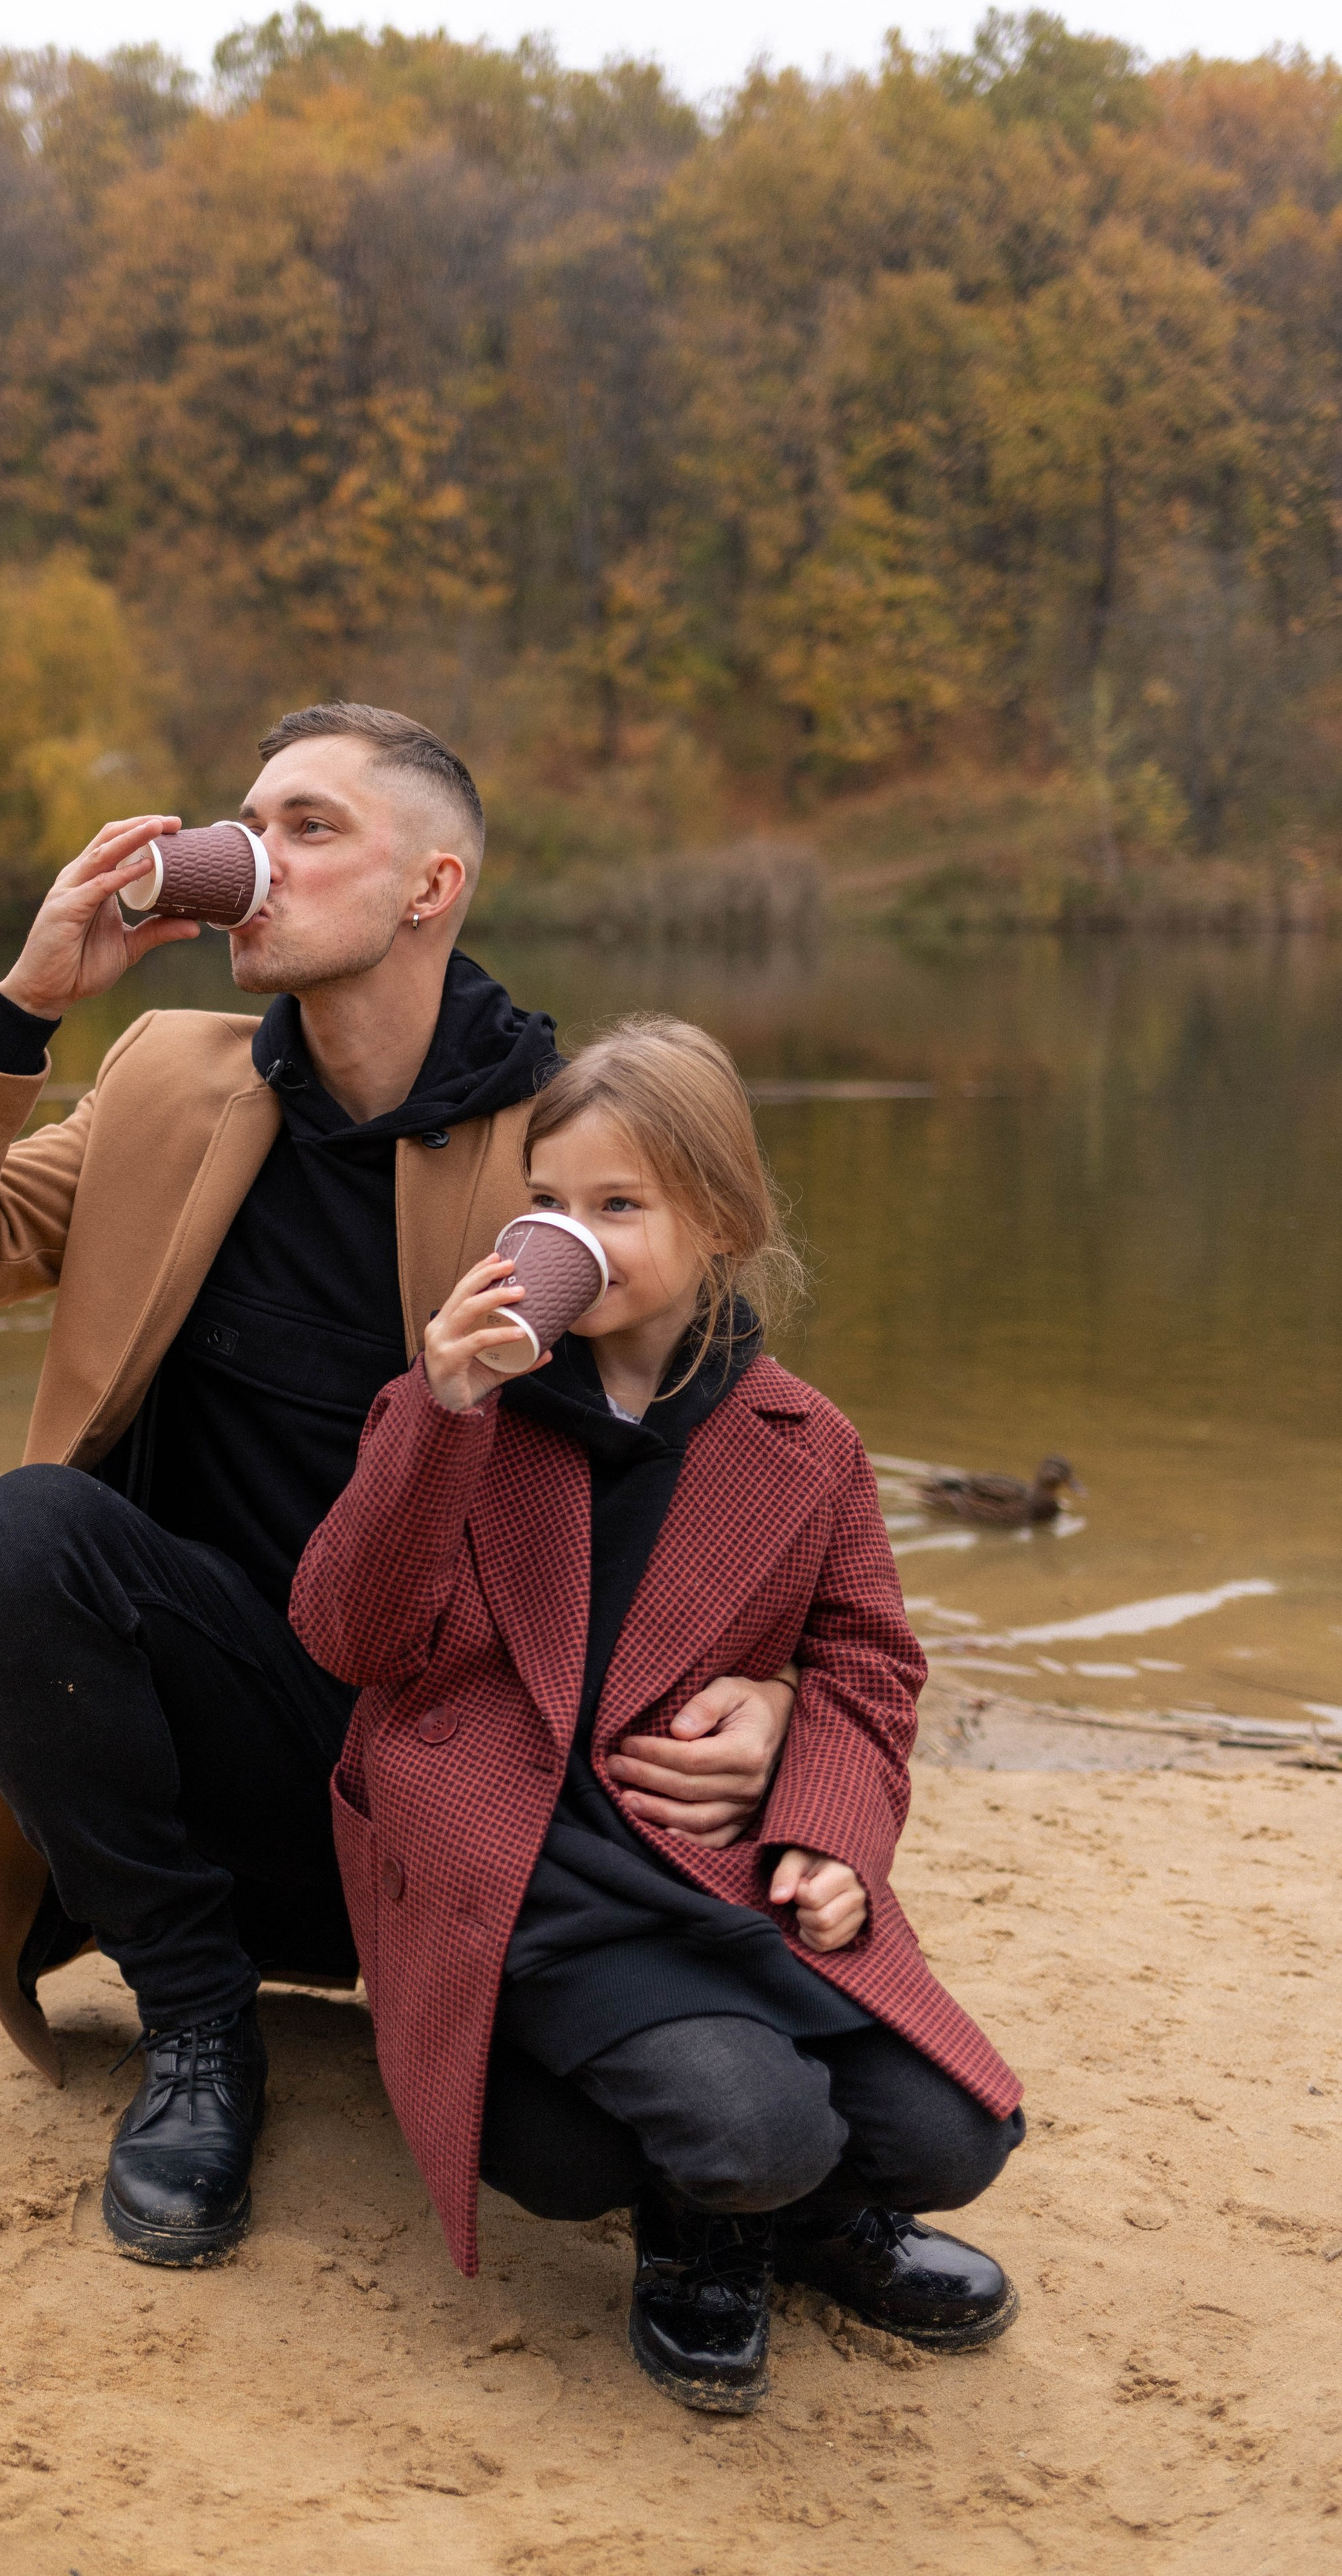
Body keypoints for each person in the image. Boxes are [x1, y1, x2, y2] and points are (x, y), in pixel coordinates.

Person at [0, 705, 800, 2266]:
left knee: (628, 2140)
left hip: (461, 1785)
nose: (251, 857)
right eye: (248, 822)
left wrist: (774, 1692)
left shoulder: (564, 1145)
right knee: (20, 1536)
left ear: (431, 887)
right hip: (223, 1748)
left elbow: (739, 1469)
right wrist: (25, 1009)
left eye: (308, 828)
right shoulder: (167, 1080)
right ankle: (195, 2016)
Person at [289, 1015, 1024, 2411]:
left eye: (618, 1206)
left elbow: (869, 1665)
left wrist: (828, 1835)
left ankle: (790, 2210)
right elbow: (348, 1638)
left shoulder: (806, 1442)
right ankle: (708, 2234)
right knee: (740, 2131)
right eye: (547, 1201)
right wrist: (444, 1411)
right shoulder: (455, 1408)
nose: (572, 1235)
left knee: (954, 2137)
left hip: (710, 1869)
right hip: (531, 1871)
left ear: (722, 1225)